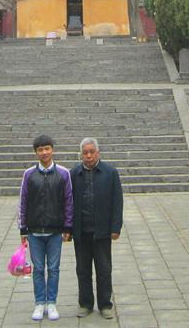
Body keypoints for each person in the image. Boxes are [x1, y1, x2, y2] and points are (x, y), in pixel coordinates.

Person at [18, 134, 74, 321]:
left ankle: (52, 303)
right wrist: (23, 228)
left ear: (53, 150)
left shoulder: (64, 173)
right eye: (40, 150)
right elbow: (23, 202)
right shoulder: (29, 175)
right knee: (39, 269)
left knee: (54, 268)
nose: (44, 152)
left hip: (55, 230)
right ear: (36, 153)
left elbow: (68, 201)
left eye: (47, 148)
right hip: (34, 231)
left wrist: (68, 227)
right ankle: (39, 303)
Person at [71, 137, 123, 320]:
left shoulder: (110, 173)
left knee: (104, 269)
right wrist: (68, 229)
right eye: (85, 152)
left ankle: (105, 304)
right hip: (81, 231)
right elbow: (69, 203)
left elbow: (117, 202)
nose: (88, 156)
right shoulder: (74, 174)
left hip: (102, 231)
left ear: (98, 152)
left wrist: (116, 226)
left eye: (92, 152)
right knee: (82, 270)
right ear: (81, 154)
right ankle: (85, 303)